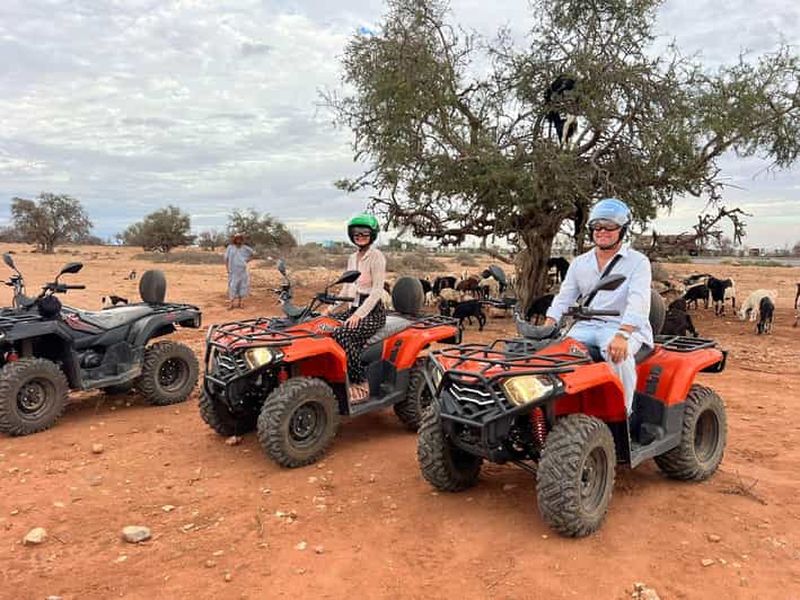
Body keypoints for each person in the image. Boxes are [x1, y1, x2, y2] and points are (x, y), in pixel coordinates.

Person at [542, 198, 653, 418]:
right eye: (597, 226)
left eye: (610, 226)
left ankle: (623, 416)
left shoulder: (638, 262)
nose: (602, 231)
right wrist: (549, 324)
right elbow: (564, 297)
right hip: (585, 326)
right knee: (550, 352)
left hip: (621, 328)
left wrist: (623, 334)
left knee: (616, 355)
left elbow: (639, 301)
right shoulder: (580, 263)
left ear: (622, 230)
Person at [328, 213, 387, 403]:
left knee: (343, 333)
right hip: (353, 307)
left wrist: (359, 315)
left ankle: (359, 380)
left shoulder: (376, 256)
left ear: (372, 234)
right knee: (324, 326)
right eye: (356, 232)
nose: (360, 236)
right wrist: (329, 309)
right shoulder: (352, 257)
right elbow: (347, 287)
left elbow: (377, 290)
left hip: (372, 311)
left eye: (364, 232)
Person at [224, 233, 255, 309]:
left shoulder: (245, 248)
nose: (238, 240)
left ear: (242, 240)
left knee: (243, 286)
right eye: (237, 238)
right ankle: (231, 303)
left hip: (242, 271)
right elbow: (226, 259)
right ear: (234, 239)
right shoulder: (230, 247)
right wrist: (227, 268)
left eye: (240, 239)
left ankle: (241, 303)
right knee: (232, 286)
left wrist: (246, 261)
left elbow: (253, 254)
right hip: (233, 271)